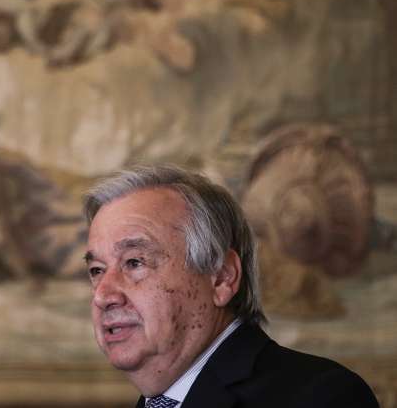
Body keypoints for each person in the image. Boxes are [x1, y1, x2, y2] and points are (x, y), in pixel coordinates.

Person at [82, 164, 378, 407]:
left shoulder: (322, 398)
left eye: (134, 262)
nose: (103, 295)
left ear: (222, 278)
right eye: (97, 270)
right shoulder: (160, 401)